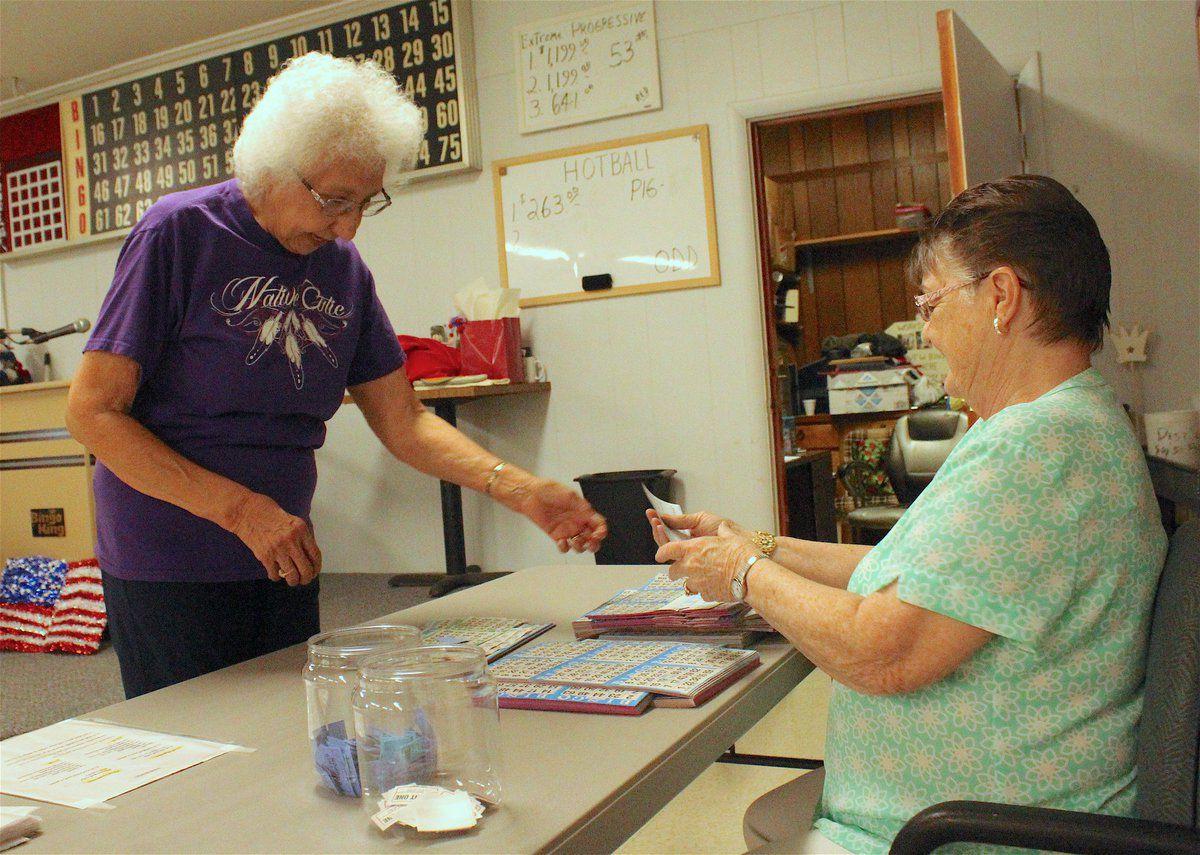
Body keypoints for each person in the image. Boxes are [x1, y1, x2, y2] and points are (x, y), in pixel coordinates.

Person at [649, 176, 1166, 854]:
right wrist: (762, 544)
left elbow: (882, 650)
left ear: (1002, 297)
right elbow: (910, 573)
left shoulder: (1037, 448)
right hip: (956, 812)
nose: (926, 328)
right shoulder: (1056, 424)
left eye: (932, 302)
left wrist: (742, 572)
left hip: (969, 833)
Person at [66, 54, 606, 700]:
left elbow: (404, 421)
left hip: (285, 551)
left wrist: (520, 489)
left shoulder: (341, 268)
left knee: (292, 736)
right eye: (333, 200)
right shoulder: (179, 234)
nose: (348, 227)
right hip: (171, 558)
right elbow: (92, 413)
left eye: (365, 203)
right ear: (271, 166)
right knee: (199, 753)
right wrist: (242, 511)